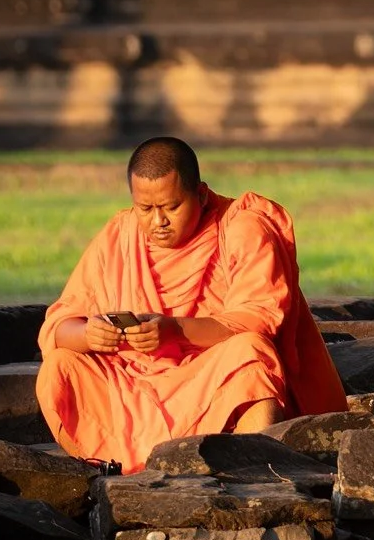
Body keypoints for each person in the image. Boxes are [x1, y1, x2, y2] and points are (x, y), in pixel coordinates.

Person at [36, 137, 348, 473]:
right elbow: (58, 326)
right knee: (59, 367)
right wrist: (89, 333)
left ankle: (250, 475)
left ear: (200, 195)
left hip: (209, 375)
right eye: (146, 209)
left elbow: (259, 319)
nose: (158, 222)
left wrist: (174, 330)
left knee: (251, 352)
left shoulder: (241, 227)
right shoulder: (119, 235)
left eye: (171, 207)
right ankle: (113, 468)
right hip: (135, 384)